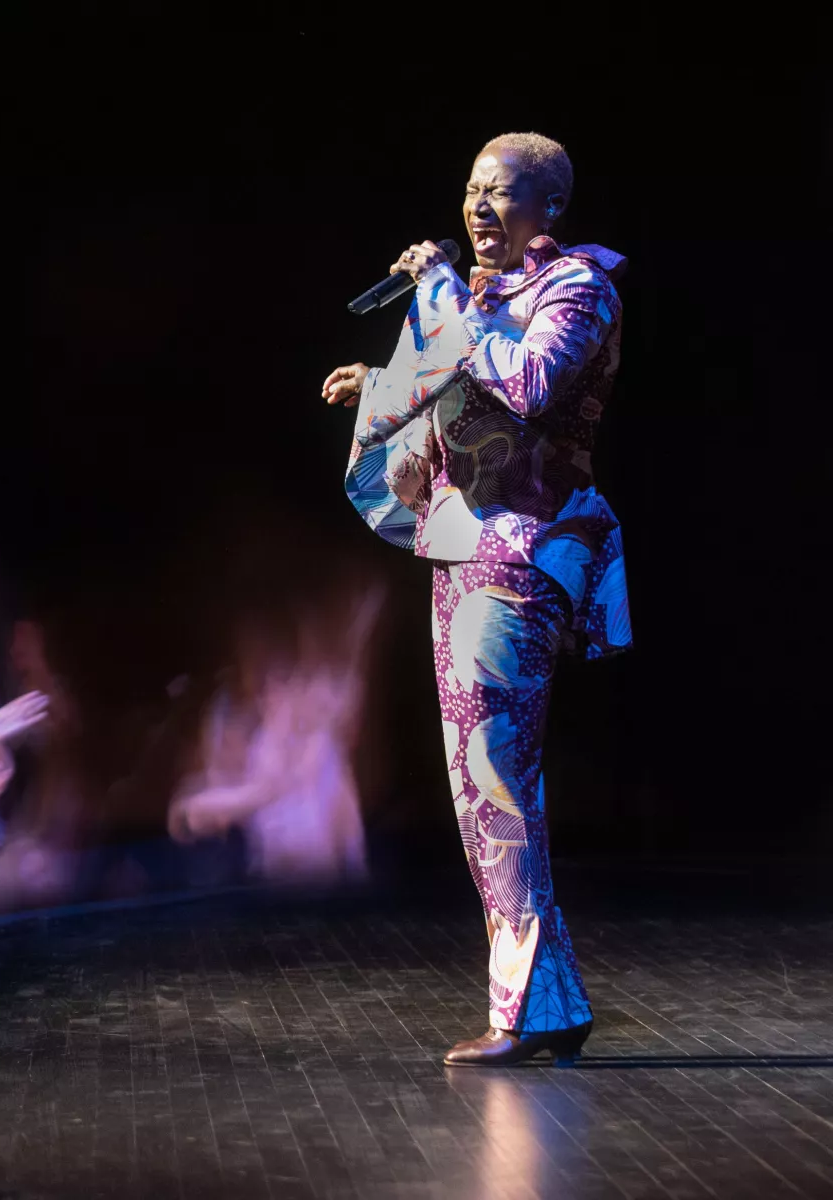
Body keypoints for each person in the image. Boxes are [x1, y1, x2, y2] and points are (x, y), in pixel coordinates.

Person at [322, 132, 631, 1066]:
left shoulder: (577, 291)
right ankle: (549, 1001)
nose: (479, 209)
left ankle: (526, 1012)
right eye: (471, 190)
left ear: (550, 210)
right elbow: (455, 407)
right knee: (481, 788)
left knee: (495, 783)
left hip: (525, 553)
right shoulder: (487, 301)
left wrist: (443, 298)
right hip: (468, 554)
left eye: (502, 194)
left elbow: (527, 384)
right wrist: (382, 391)